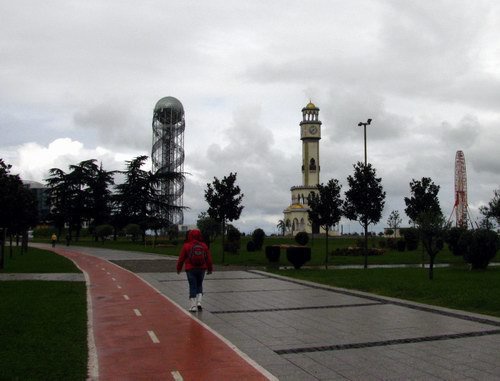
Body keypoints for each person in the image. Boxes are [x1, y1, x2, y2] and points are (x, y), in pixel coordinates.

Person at [176, 229, 213, 312]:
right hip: (202, 268)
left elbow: (181, 259)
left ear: (190, 235)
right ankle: (199, 302)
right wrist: (210, 269)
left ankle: (193, 306)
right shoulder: (204, 245)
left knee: (192, 285)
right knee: (199, 284)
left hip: (190, 269)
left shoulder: (186, 245)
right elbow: (209, 259)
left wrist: (178, 268)